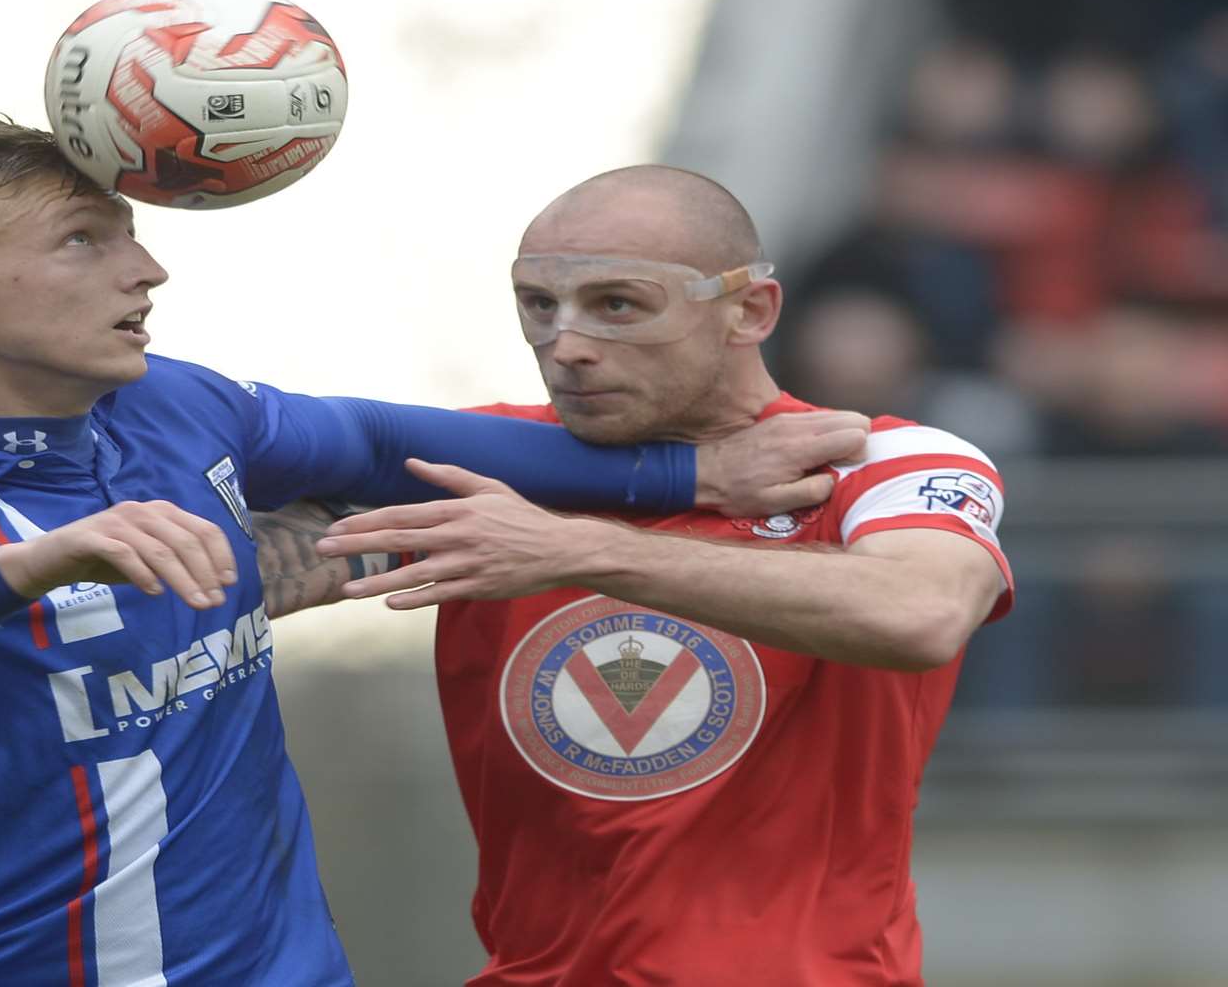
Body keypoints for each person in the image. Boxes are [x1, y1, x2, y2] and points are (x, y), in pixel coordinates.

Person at [0, 121, 858, 986]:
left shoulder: (169, 408)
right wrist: (32, 567)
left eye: (133, 238)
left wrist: (687, 476)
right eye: (84, 243)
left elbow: (375, 440)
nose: (146, 272)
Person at [269, 165, 1013, 986]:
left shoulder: (878, 460)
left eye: (619, 304)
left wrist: (580, 549)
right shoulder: (488, 466)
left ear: (750, 311)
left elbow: (920, 612)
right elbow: (223, 578)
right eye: (539, 306)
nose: (569, 345)